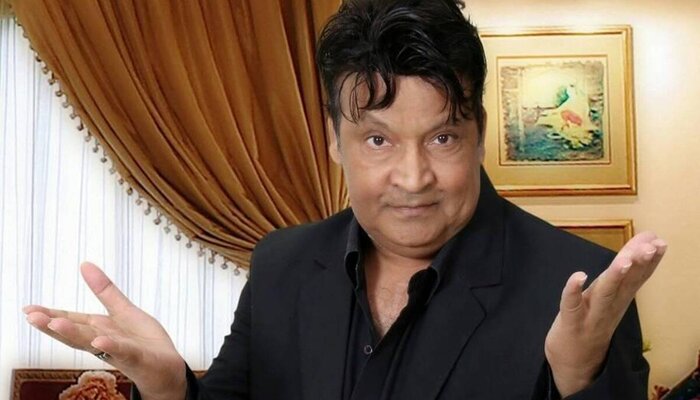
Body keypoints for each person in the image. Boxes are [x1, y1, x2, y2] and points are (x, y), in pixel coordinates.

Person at [23, 0, 667, 399]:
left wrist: (580, 381)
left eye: (442, 137)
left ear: (479, 134)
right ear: (335, 140)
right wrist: (168, 389)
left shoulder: (578, 283)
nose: (413, 178)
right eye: (378, 140)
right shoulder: (281, 262)